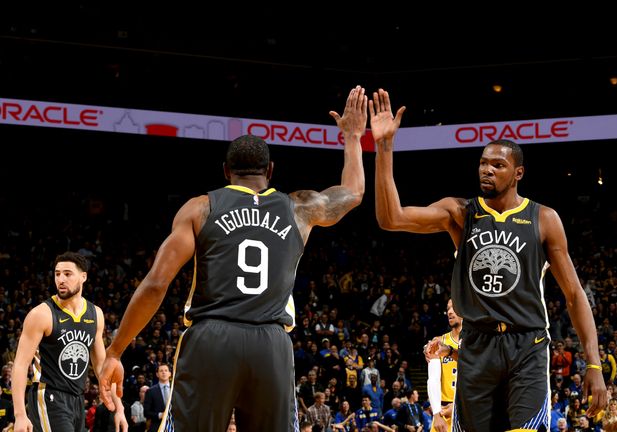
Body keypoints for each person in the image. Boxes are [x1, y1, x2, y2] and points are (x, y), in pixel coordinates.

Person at [98, 85, 368, 431]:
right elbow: (353, 193)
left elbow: (156, 283)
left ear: (226, 171)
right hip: (271, 344)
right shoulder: (299, 208)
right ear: (270, 170)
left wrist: (116, 350)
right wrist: (353, 137)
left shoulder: (201, 208)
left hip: (212, 339)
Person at [370, 88, 608, 431]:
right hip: (477, 343)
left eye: (498, 165)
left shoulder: (544, 219)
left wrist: (594, 366)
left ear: (518, 173)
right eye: (483, 163)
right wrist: (384, 147)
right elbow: (390, 218)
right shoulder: (460, 212)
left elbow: (573, 295)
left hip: (527, 344)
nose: (488, 170)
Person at [11, 252, 127, 432]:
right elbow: (20, 365)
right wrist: (19, 415)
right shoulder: (41, 314)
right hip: (48, 396)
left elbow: (102, 367)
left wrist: (119, 408)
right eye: (57, 274)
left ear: (83, 277)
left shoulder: (95, 314)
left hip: (77, 399)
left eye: (67, 274)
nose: (61, 279)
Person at [425, 299, 462, 432]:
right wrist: (436, 414)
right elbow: (433, 379)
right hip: (443, 412)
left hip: (468, 410)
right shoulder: (439, 341)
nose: (450, 312)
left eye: (454, 308)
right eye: (448, 309)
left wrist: (458, 407)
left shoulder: (476, 341)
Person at [143, 363, 172, 432]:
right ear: (157, 374)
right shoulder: (150, 391)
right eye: (161, 371)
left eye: (166, 370)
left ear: (170, 374)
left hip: (174, 426)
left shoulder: (175, 389)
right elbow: (146, 412)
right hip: (157, 427)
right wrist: (160, 415)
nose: (164, 373)